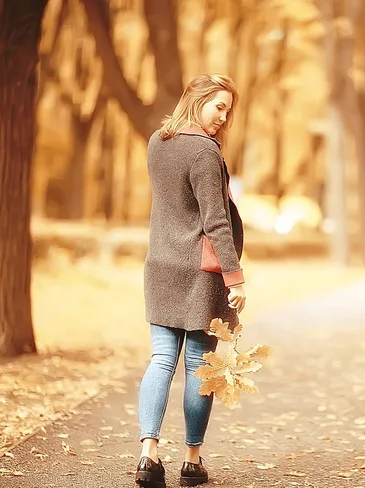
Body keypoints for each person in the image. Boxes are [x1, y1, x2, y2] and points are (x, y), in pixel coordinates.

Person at [135, 74, 246, 488]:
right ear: (197, 100)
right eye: (218, 106)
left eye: (228, 110)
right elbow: (214, 220)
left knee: (161, 360)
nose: (223, 117)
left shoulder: (157, 141)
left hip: (161, 265)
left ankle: (148, 454)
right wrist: (234, 278)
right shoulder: (204, 152)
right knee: (199, 367)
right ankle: (191, 460)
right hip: (201, 273)